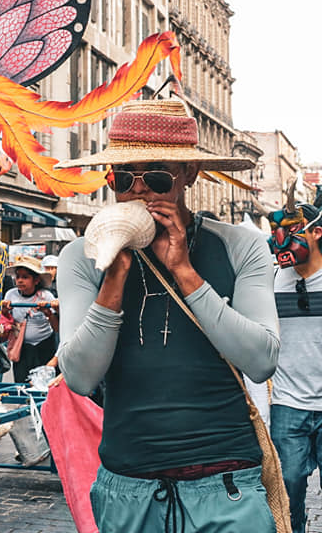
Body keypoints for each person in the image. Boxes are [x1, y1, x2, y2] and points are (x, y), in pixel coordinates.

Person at [55, 98, 280, 532]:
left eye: (156, 177)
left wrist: (185, 272)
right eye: (124, 179)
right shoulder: (80, 258)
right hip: (129, 488)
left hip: (227, 483)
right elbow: (80, 379)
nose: (139, 192)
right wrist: (114, 278)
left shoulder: (239, 246)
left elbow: (261, 359)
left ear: (188, 175)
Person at [266, 186, 322, 533]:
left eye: (292, 229)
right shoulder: (270, 282)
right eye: (278, 230)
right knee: (288, 488)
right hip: (288, 404)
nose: (282, 239)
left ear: (317, 232)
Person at [2, 256, 58, 383]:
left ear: (36, 280)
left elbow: (56, 328)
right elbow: (6, 322)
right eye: (18, 277)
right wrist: (4, 310)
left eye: (25, 277)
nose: (20, 280)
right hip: (22, 348)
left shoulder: (46, 296)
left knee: (43, 385)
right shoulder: (10, 295)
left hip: (44, 346)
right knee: (21, 386)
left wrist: (48, 313)